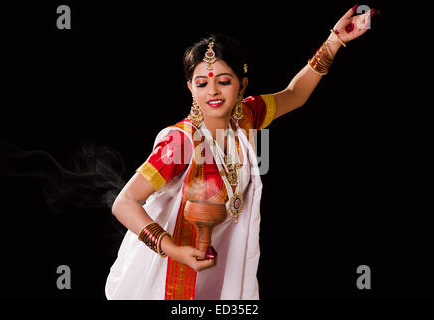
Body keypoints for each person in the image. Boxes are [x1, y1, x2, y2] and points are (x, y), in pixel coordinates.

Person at [105, 5, 377, 300]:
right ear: (190, 89)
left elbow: (294, 95)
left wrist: (334, 41)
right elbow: (125, 202)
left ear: (241, 85)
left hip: (217, 264)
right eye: (202, 83)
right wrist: (173, 249)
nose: (213, 91)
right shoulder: (182, 142)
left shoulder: (245, 117)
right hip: (166, 268)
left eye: (224, 81)